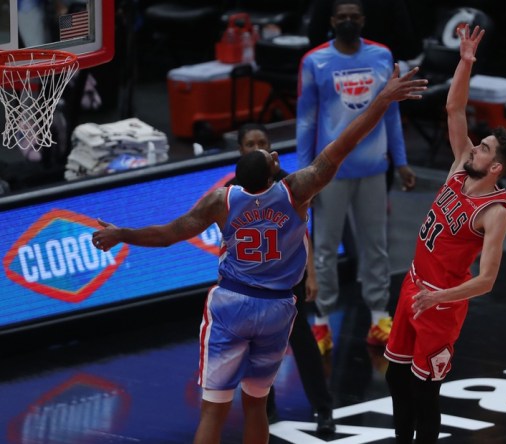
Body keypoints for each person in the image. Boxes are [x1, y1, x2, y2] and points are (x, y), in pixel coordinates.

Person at [92, 66, 427, 444]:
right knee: (256, 405)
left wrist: (121, 233)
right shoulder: (295, 191)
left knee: (214, 410)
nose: (271, 153)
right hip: (277, 309)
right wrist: (382, 99)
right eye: (269, 155)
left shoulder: (222, 200)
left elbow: (170, 234)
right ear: (271, 174)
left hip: (232, 304)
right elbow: (344, 144)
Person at [383, 25, 506, 444]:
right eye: (477, 145)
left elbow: (486, 280)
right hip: (413, 284)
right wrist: (465, 62)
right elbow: (454, 109)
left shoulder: (494, 211)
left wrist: (438, 298)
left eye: (483, 149)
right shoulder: (461, 168)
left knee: (426, 394)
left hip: (441, 305)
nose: (473, 149)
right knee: (395, 377)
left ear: (496, 167)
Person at [297, 0, 418, 354]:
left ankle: (380, 318)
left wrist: (402, 160)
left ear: (363, 20)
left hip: (373, 169)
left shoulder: (382, 56)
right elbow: (305, 121)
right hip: (329, 172)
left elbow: (392, 114)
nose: (348, 22)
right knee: (324, 248)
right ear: (332, 21)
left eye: (354, 16)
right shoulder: (314, 61)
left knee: (376, 245)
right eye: (342, 17)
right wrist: (306, 175)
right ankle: (321, 321)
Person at [226, 123, 335, 436]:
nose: (257, 147)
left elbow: (303, 232)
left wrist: (311, 273)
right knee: (258, 348)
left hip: (289, 280)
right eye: (250, 143)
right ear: (241, 150)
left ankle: (324, 409)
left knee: (302, 343)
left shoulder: (291, 183)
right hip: (254, 284)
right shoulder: (234, 190)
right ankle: (267, 410)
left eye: (262, 141)